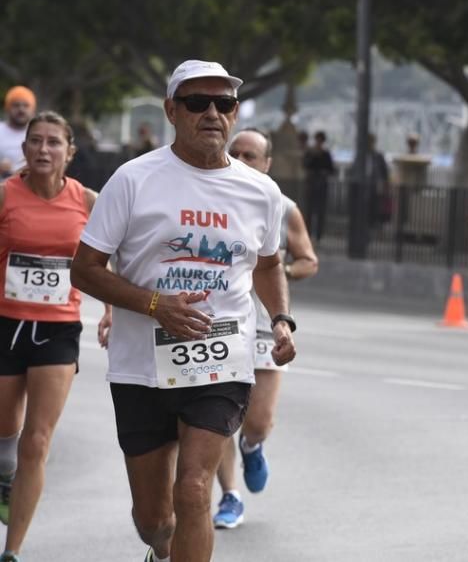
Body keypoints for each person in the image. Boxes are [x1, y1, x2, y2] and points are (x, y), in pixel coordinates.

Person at [69, 59, 297, 562]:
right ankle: (161, 552)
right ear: (172, 110)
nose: (212, 113)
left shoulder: (262, 192)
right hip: (140, 365)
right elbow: (84, 269)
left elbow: (268, 263)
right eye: (198, 103)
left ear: (235, 114)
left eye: (224, 103)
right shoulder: (132, 180)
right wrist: (154, 305)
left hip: (221, 358)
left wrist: (280, 319)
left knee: (194, 490)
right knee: (153, 520)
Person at [0, 112, 110, 562]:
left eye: (53, 143)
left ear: (69, 152)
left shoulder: (87, 201)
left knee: (38, 440)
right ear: (24, 150)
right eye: (35, 142)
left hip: (59, 329)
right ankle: (5, 474)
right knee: (6, 433)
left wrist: (109, 312)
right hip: (6, 324)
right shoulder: (4, 196)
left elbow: (110, 260)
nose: (43, 150)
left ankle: (12, 552)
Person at [212, 128, 318, 529]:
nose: (240, 160)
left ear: (267, 164)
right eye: (234, 152)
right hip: (219, 322)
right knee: (217, 415)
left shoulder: (282, 206)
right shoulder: (207, 196)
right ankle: (230, 496)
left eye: (251, 155)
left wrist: (276, 272)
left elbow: (308, 260)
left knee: (257, 420)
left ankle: (253, 445)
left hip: (264, 324)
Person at [302, 131, 335, 241]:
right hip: (311, 185)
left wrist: (323, 172)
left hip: (321, 185)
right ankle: (309, 234)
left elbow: (331, 170)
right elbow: (305, 165)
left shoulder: (326, 154)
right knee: (310, 212)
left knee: (320, 212)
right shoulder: (310, 152)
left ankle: (318, 236)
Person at [0, 88, 36, 180]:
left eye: (26, 105)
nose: (21, 109)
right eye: (16, 105)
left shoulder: (38, 133)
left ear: (33, 109)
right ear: (7, 108)